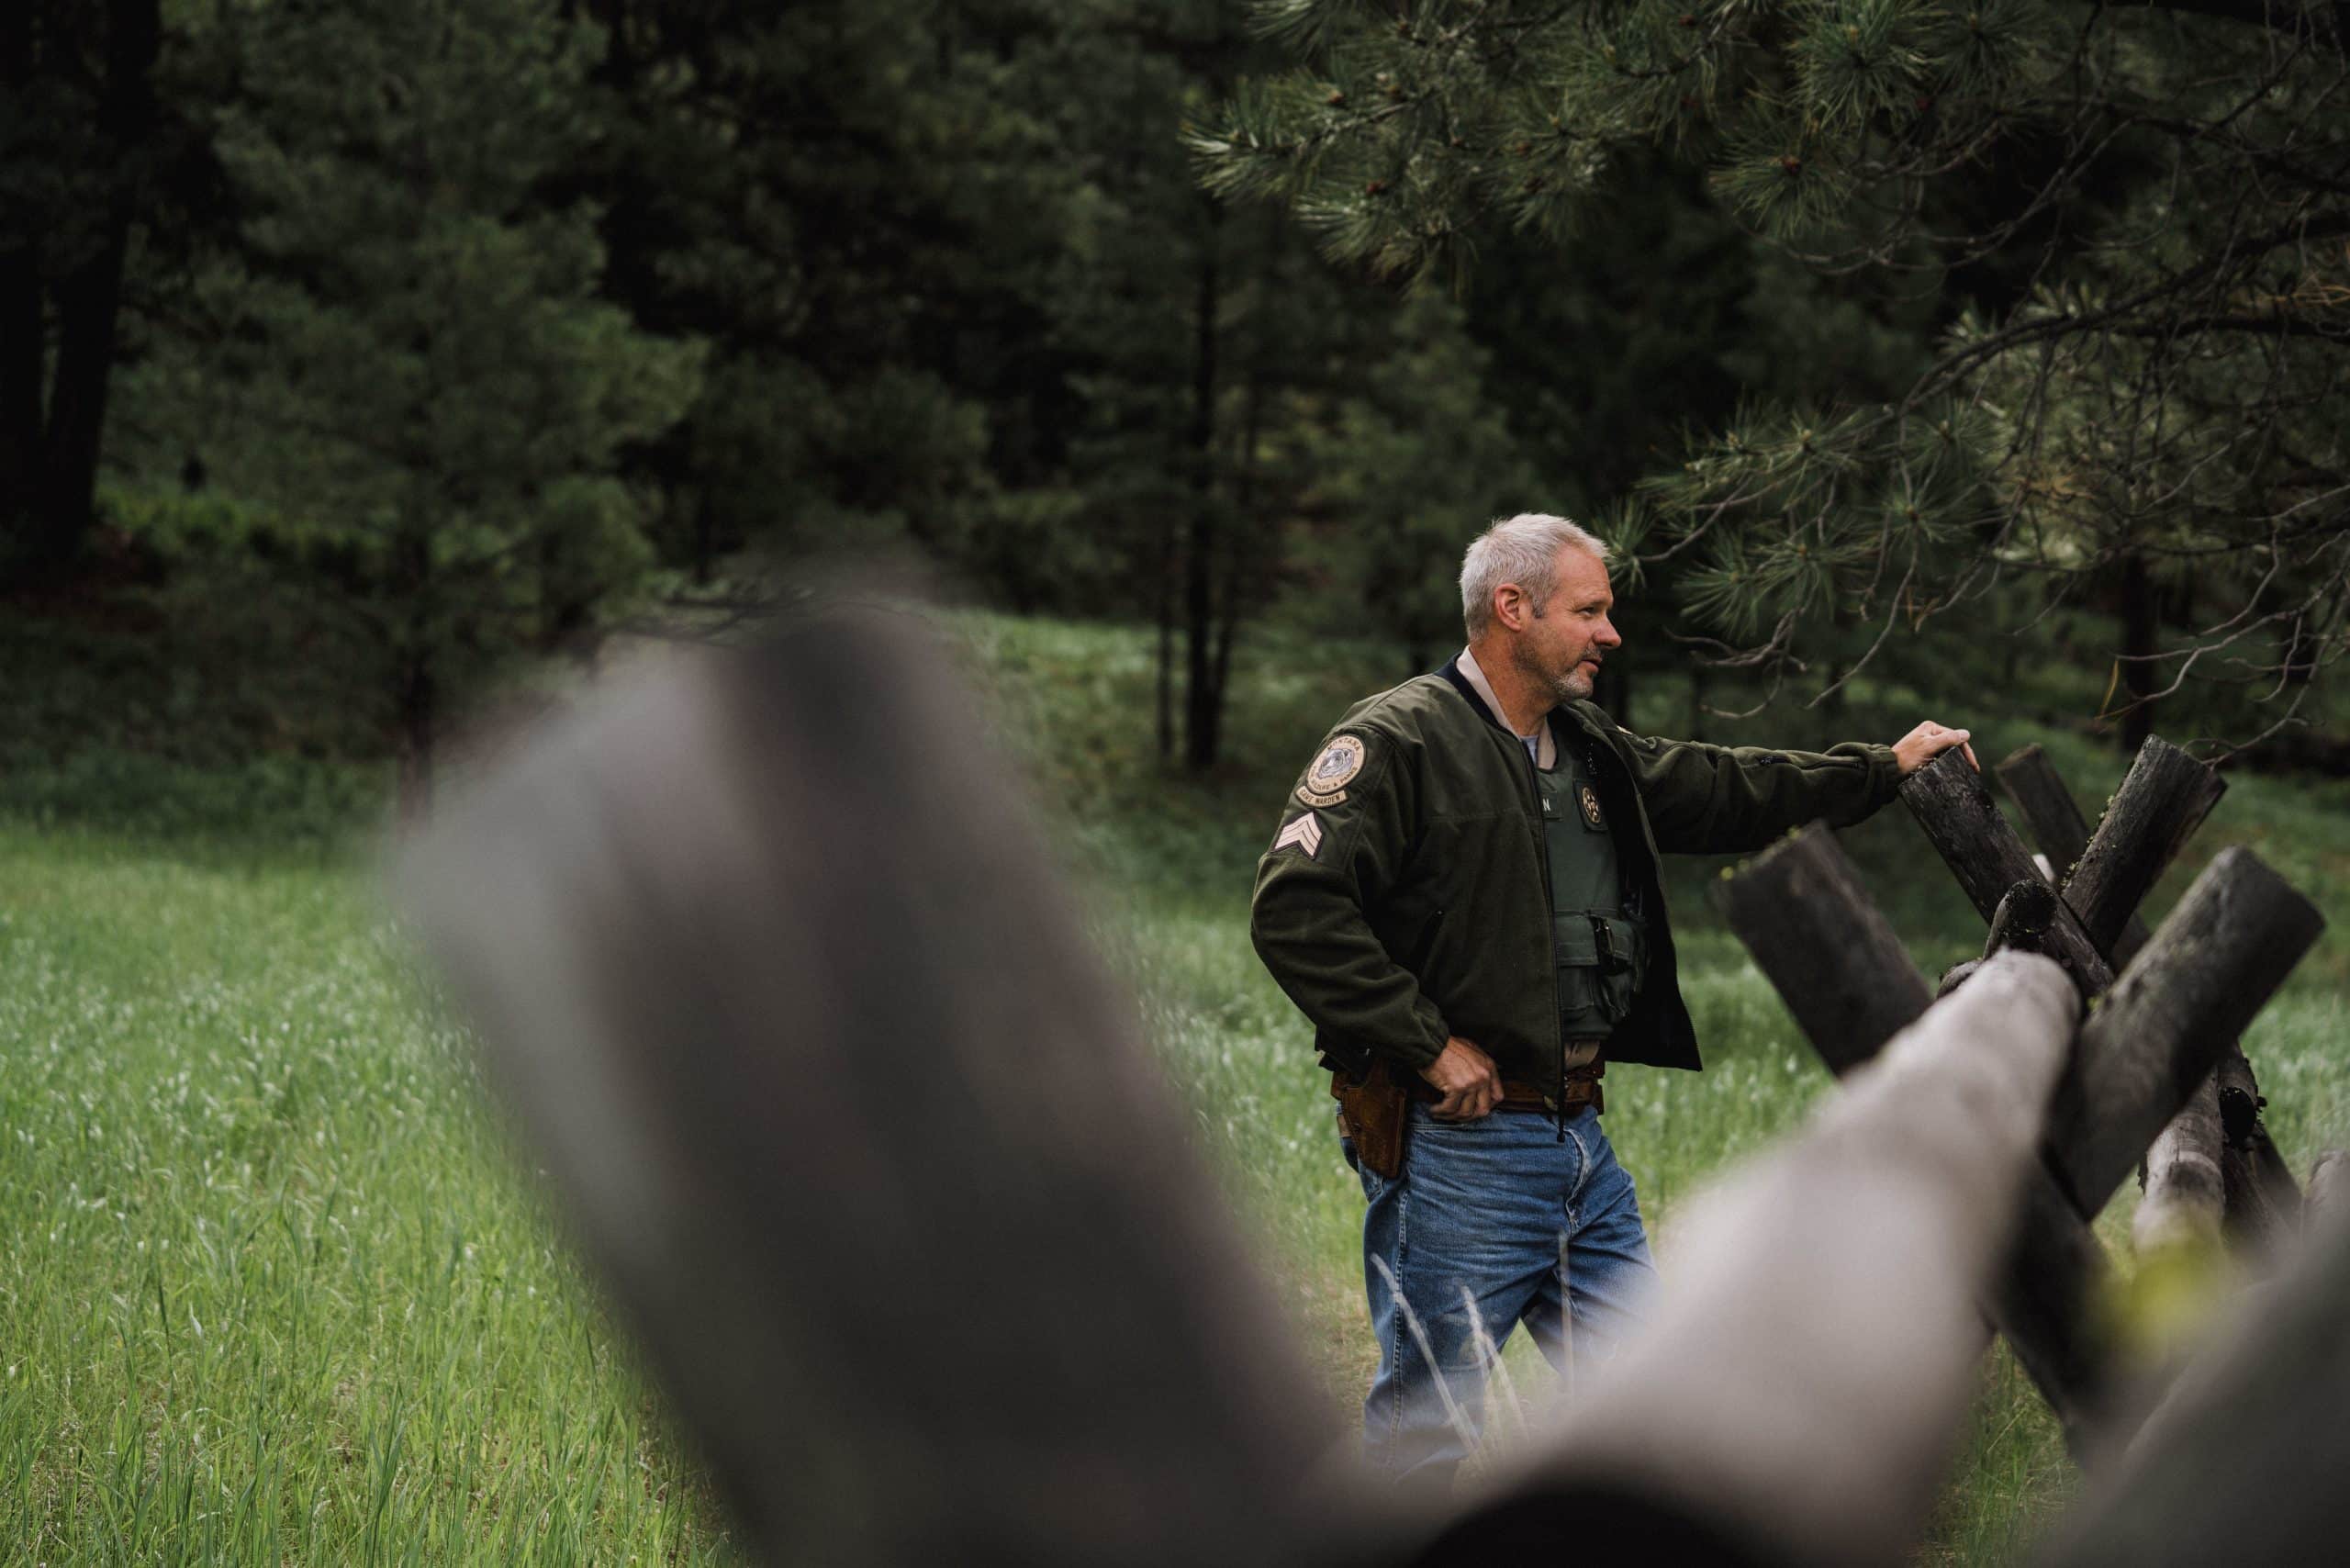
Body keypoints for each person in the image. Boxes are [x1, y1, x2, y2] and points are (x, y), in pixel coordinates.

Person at [1248, 512, 1976, 1490]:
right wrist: (1424, 1042)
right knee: (1421, 1443)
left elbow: (1727, 787)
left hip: (1580, 1150)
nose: (1610, 633)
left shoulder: (1585, 745)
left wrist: (1881, 768)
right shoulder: (1397, 739)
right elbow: (1295, 909)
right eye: (1590, 611)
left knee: (1663, 1415)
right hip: (1460, 1147)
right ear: (1512, 608)